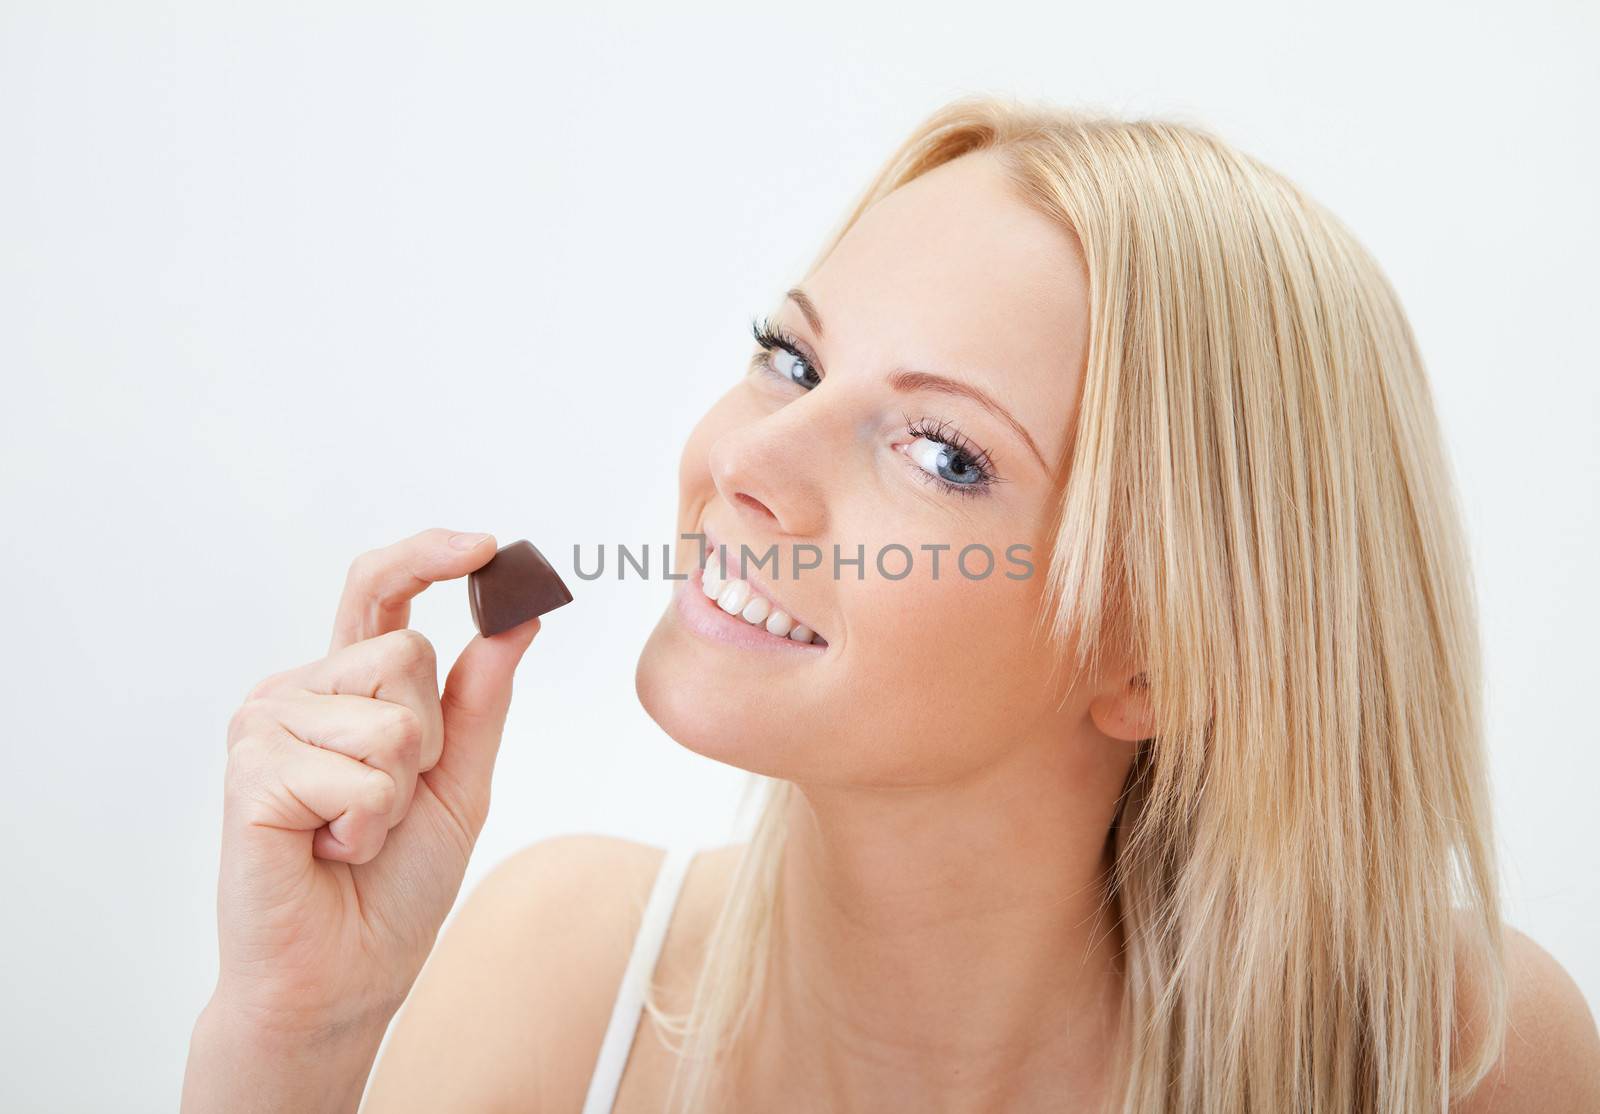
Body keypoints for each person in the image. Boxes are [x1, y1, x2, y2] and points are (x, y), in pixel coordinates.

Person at [180, 95, 1600, 1113]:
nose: (743, 462)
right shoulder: (554, 980)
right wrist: (299, 1039)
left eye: (942, 452)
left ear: (1158, 657)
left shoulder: (1452, 1057)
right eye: (791, 363)